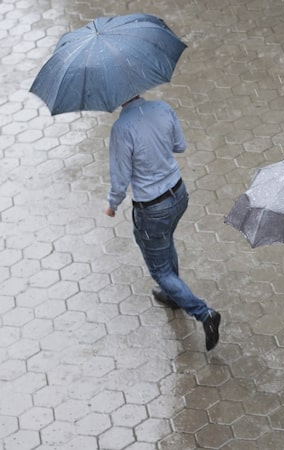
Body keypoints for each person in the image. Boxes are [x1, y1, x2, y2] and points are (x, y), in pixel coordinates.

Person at [103, 95, 221, 351]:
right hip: (178, 195)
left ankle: (204, 314)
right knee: (165, 242)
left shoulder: (121, 129)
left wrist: (112, 205)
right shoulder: (163, 108)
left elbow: (120, 178)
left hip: (152, 209)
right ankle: (172, 295)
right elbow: (180, 145)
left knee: (160, 271)